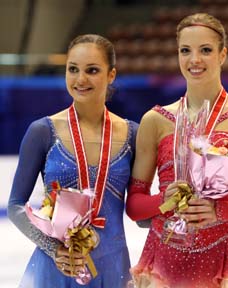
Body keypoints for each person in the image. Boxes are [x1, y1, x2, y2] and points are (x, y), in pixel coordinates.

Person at [126, 13, 228, 288]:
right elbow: (135, 207)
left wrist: (222, 210)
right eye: (185, 51)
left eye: (205, 50)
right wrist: (164, 199)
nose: (194, 60)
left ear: (223, 54)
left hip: (227, 259)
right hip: (165, 260)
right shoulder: (155, 120)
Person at [8, 34, 138, 287]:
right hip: (57, 267)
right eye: (73, 69)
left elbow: (139, 212)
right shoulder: (42, 131)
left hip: (112, 269)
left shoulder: (133, 134)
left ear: (111, 75)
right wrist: (53, 249)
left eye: (92, 70)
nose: (80, 79)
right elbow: (15, 205)